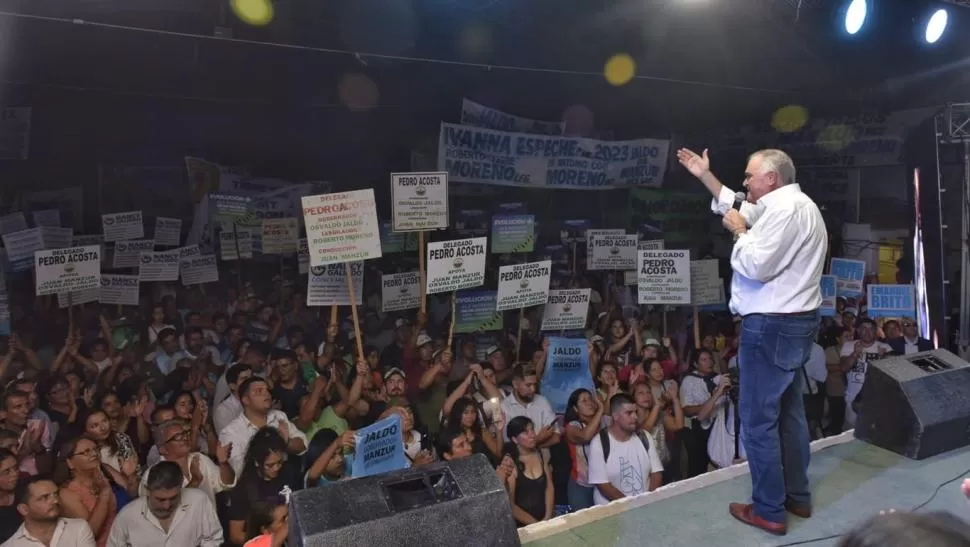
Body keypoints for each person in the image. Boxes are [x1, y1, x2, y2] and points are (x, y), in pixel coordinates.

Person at [679, 147, 826, 535]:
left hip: (772, 326)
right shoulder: (793, 205)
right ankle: (797, 496)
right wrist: (704, 175)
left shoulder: (786, 211)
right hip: (793, 324)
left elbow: (756, 264)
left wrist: (740, 233)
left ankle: (769, 511)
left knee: (758, 421)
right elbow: (736, 205)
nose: (744, 182)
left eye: (750, 176)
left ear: (772, 178)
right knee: (790, 413)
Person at [107, 461, 223, 547]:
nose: (167, 506)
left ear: (181, 487)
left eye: (173, 498)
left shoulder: (198, 501)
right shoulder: (127, 516)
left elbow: (213, 539)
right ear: (147, 490)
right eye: (160, 499)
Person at [586, 393, 663, 505]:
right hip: (612, 513)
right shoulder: (599, 443)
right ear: (615, 416)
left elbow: (656, 473)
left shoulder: (644, 436)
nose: (635, 417)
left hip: (644, 508)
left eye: (635, 412)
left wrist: (648, 501)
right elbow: (603, 485)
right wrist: (630, 505)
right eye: (629, 413)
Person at [3, 476, 95, 547]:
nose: (55, 501)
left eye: (55, 494)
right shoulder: (11, 545)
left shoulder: (78, 528)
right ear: (24, 509)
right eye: (45, 497)